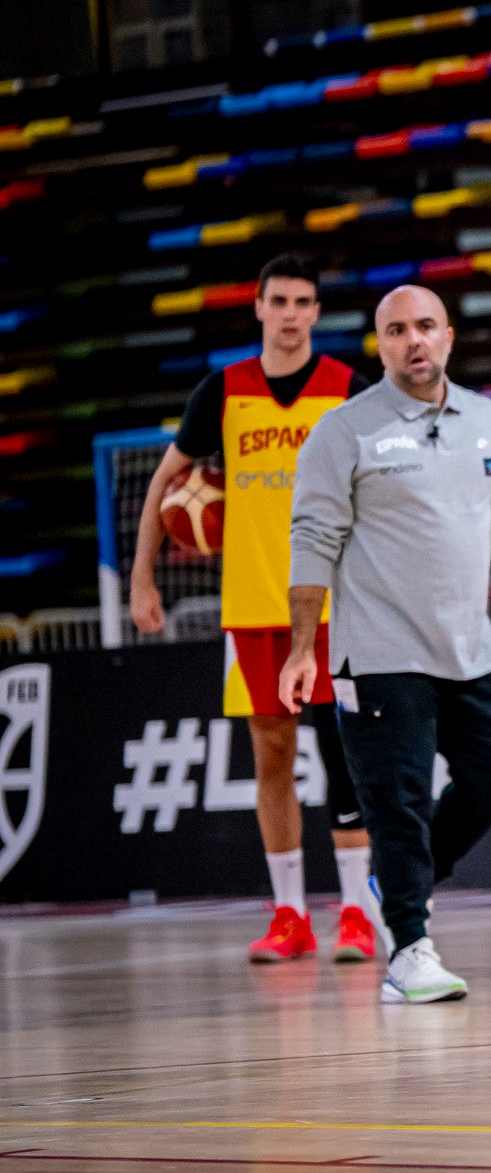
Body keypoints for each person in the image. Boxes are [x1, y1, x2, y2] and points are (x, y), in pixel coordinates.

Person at [283, 284, 491, 1004]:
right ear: (378, 344)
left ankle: (399, 882)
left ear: (448, 335)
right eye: (395, 330)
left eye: (425, 326)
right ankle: (409, 946)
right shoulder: (343, 430)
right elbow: (313, 539)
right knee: (398, 804)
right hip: (378, 655)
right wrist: (300, 648)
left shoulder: (485, 419)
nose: (412, 340)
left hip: (472, 648)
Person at [129, 251, 379, 965]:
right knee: (273, 755)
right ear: (260, 308)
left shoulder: (346, 390)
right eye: (280, 301)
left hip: (336, 609)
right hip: (253, 604)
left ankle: (357, 913)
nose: (292, 313)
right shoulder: (224, 391)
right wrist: (143, 577)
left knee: (347, 758)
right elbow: (165, 481)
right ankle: (290, 913)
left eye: (304, 301)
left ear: (316, 312)